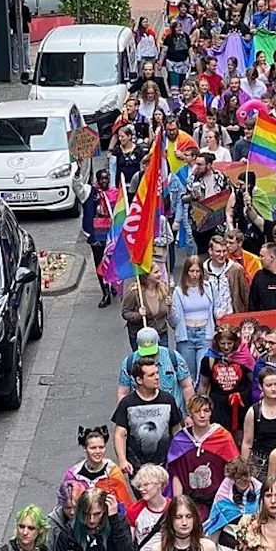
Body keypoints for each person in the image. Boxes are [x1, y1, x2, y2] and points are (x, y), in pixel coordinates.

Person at [167, 394, 240, 521]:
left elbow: (234, 470)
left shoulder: (223, 437)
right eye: (197, 411)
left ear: (211, 412)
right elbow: (176, 474)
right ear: (190, 413)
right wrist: (177, 505)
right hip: (190, 500)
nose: (202, 415)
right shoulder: (180, 440)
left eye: (206, 411)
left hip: (219, 499)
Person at [112, 356, 185, 478]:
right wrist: (122, 460)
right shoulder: (127, 403)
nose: (157, 377)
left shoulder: (168, 399)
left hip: (165, 465)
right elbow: (119, 434)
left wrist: (179, 455)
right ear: (139, 380)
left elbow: (176, 430)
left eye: (157, 373)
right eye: (151, 375)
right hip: (137, 468)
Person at [117, 328, 195, 417]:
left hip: (172, 416)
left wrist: (191, 414)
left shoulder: (174, 358)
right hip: (141, 417)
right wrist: (122, 418)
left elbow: (187, 386)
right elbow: (123, 393)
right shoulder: (128, 363)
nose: (149, 356)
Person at [199, 324, 256, 435]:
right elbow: (203, 385)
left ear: (235, 342)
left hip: (242, 403)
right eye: (222, 343)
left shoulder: (244, 357)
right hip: (218, 405)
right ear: (217, 343)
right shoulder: (209, 359)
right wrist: (200, 405)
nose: (226, 347)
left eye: (229, 343)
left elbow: (253, 381)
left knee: (241, 437)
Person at [54, 487, 136, 551]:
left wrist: (114, 520)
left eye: (97, 514)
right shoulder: (70, 531)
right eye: (86, 514)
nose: (91, 520)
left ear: (104, 510)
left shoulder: (118, 523)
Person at [137, 494, 224, 551]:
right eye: (179, 517)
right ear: (171, 520)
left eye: (189, 516)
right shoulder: (158, 549)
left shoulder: (207, 547)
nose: (184, 522)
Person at [170, 255, 217, 381]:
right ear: (186, 272)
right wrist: (169, 309)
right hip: (186, 334)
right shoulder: (178, 292)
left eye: (197, 271)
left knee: (203, 372)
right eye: (191, 271)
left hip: (205, 333)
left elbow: (216, 309)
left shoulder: (209, 287)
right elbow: (174, 321)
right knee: (187, 375)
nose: (194, 275)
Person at [204, 457, 262, 551]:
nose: (243, 481)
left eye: (246, 477)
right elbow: (215, 526)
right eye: (238, 478)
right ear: (232, 478)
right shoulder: (223, 497)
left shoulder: (261, 494)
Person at [62, 426, 132, 508]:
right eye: (93, 448)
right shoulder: (73, 475)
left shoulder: (113, 472)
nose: (98, 451)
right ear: (85, 448)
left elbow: (125, 505)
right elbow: (64, 504)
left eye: (101, 447)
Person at [78, 170, 115, 307]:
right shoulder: (90, 192)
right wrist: (77, 173)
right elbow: (78, 187)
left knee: (111, 262)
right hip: (96, 235)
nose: (104, 181)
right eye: (102, 179)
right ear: (97, 180)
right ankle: (105, 292)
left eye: (107, 179)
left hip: (111, 235)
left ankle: (113, 284)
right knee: (100, 263)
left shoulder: (115, 193)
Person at [126, 464, 171, 551]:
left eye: (146, 485)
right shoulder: (133, 510)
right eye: (139, 486)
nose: (141, 489)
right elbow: (129, 545)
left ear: (159, 484)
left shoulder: (174, 507)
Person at [123, 272, 171, 351]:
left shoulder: (163, 289)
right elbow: (125, 313)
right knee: (144, 362)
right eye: (156, 272)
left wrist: (169, 306)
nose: (160, 274)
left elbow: (168, 314)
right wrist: (138, 314)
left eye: (159, 271)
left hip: (161, 333)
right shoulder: (134, 292)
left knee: (162, 360)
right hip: (142, 336)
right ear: (147, 276)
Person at [205, 235, 250, 316]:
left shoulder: (236, 269)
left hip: (232, 316)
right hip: (209, 318)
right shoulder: (203, 270)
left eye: (224, 251)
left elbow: (245, 295)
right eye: (218, 251)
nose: (222, 255)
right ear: (210, 251)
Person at [45, 481, 81, 551]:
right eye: (68, 508)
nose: (72, 512)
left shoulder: (90, 519)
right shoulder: (52, 523)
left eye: (75, 507)